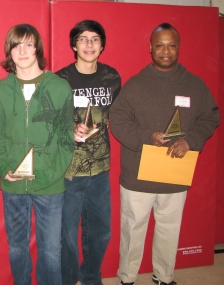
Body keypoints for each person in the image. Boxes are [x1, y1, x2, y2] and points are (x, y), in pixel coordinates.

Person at [109, 23, 220, 285]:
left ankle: (164, 276)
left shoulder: (195, 85)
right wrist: (147, 136)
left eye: (171, 45)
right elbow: (118, 119)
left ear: (178, 47)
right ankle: (127, 278)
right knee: (132, 230)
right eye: (160, 45)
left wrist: (190, 141)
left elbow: (211, 116)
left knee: (169, 230)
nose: (166, 51)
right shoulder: (136, 85)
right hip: (138, 176)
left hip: (175, 173)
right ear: (150, 48)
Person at [0, 24, 74, 285]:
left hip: (49, 185)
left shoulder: (60, 87)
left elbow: (66, 140)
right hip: (13, 184)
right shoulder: (1, 89)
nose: (22, 50)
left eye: (28, 44)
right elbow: (0, 135)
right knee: (17, 247)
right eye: (16, 45)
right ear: (9, 52)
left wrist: (48, 174)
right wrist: (4, 167)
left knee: (51, 250)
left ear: (38, 49)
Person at [55, 20, 121, 285]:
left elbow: (120, 116)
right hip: (69, 171)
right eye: (83, 39)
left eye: (95, 39)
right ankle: (68, 280)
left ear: (102, 45)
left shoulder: (112, 77)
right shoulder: (59, 80)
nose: (89, 44)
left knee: (100, 232)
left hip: (100, 170)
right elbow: (46, 120)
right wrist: (69, 128)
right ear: (74, 45)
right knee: (67, 235)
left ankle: (91, 277)